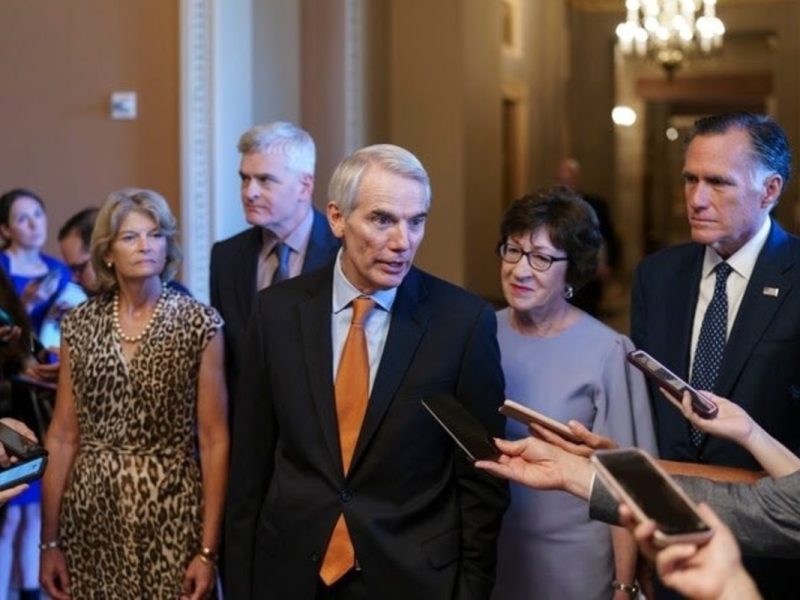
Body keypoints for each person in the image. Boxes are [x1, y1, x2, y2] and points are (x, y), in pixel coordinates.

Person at [224, 144, 509, 599]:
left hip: (412, 578)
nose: (403, 241)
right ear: (337, 218)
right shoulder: (277, 312)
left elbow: (482, 480)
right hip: (291, 574)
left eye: (416, 221)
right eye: (382, 219)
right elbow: (251, 467)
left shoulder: (462, 322)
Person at [630, 112, 799, 595]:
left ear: (769, 191)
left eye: (719, 183)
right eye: (690, 179)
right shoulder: (656, 277)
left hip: (772, 561)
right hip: (672, 550)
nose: (697, 199)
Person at [39, 189, 229, 599]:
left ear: (167, 246)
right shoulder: (79, 325)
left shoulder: (200, 324)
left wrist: (209, 551)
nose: (145, 245)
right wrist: (49, 542)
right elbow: (62, 435)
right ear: (107, 252)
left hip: (172, 511)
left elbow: (214, 440)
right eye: (130, 237)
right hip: (90, 516)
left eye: (155, 234)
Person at [491, 188, 656, 600]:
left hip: (574, 563)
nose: (519, 270)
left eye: (542, 258)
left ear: (573, 271)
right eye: (512, 251)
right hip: (490, 554)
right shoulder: (479, 334)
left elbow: (625, 480)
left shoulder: (608, 351)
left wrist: (624, 584)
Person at [209, 122, 340, 411]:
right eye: (245, 179)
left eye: (265, 180)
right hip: (249, 432)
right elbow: (229, 364)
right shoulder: (226, 257)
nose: (249, 192)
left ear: (305, 186)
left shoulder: (343, 253)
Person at [58, 207, 192, 297]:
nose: (74, 278)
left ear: (105, 254)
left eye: (79, 268)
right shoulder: (82, 311)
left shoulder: (179, 304)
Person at [555, 158, 620, 316]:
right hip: (561, 274)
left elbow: (608, 236)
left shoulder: (596, 205)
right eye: (563, 181)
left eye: (570, 180)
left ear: (578, 180)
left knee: (588, 315)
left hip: (590, 275)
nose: (567, 185)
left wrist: (609, 264)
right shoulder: (553, 208)